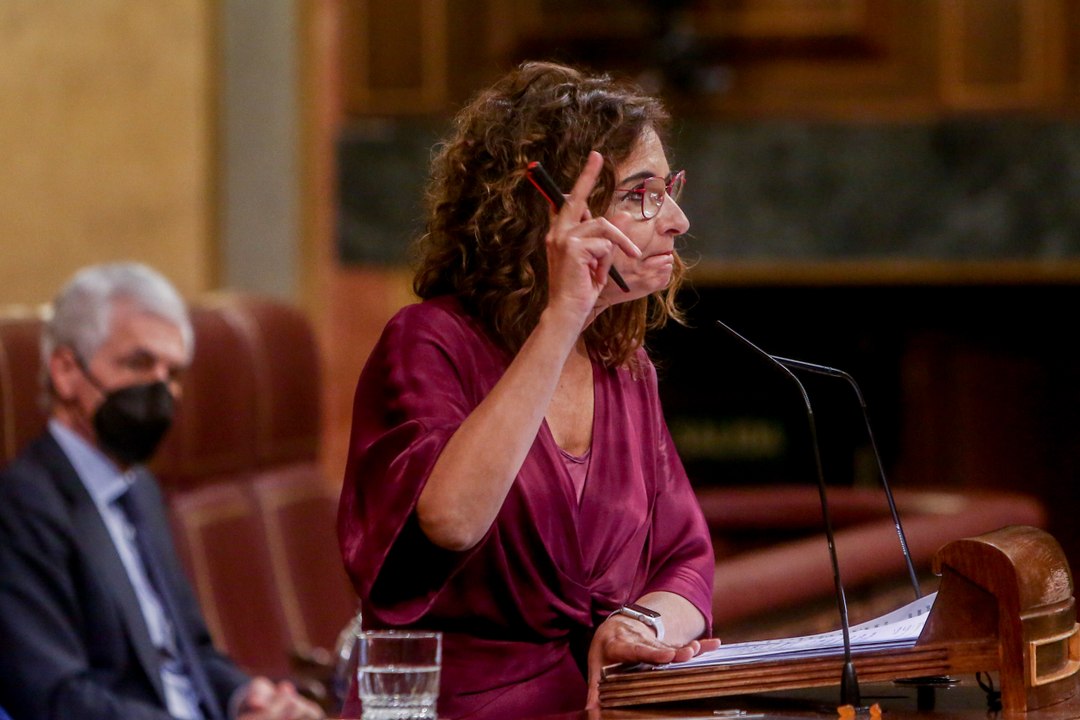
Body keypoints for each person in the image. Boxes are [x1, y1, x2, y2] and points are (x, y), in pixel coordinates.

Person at [337, 61, 719, 720]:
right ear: (546, 211)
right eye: (641, 194)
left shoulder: (625, 369)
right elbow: (450, 522)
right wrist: (562, 316)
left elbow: (685, 559)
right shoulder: (427, 343)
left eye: (668, 189)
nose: (677, 220)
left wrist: (643, 627)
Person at [0, 262, 324, 720]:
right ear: (66, 371)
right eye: (139, 363)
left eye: (172, 373)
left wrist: (250, 699)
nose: (162, 390)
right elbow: (55, 697)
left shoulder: (141, 490)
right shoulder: (23, 503)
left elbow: (189, 651)